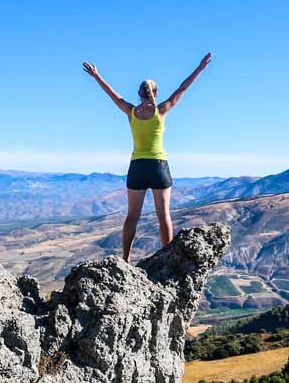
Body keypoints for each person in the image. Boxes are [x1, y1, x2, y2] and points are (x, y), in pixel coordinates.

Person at [82, 53, 212, 262]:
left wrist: (96, 76)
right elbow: (182, 89)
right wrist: (199, 68)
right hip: (159, 166)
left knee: (132, 217)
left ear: (139, 93)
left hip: (137, 167)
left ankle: (125, 259)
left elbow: (112, 94)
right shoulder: (161, 110)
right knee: (164, 215)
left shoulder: (131, 111)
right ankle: (168, 258)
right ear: (156, 93)